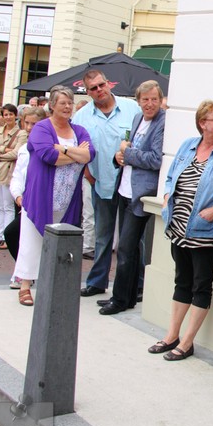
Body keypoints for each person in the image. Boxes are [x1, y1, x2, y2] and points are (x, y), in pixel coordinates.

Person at [149, 100, 213, 361]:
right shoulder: (187, 146)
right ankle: (171, 336)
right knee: (182, 281)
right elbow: (170, 176)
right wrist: (168, 195)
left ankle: (187, 342)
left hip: (206, 230)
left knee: (201, 285)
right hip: (177, 225)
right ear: (203, 123)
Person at [11, 86, 93, 306]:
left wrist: (64, 150)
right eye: (62, 103)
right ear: (52, 105)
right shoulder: (41, 128)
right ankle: (25, 286)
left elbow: (89, 154)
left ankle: (56, 285)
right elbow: (48, 156)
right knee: (31, 241)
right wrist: (75, 154)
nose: (67, 107)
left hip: (68, 199)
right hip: (41, 195)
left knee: (61, 243)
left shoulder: (79, 131)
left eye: (70, 103)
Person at [96, 81, 166, 315]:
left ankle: (118, 299)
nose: (149, 104)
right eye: (145, 99)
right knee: (131, 249)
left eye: (154, 99)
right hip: (124, 189)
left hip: (142, 194)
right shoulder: (138, 119)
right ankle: (129, 296)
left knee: (125, 248)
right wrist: (119, 156)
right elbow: (131, 152)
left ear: (160, 99)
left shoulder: (163, 122)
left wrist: (128, 152)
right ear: (138, 101)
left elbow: (156, 159)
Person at [73, 70, 141, 297]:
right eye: (93, 88)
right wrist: (87, 174)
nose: (99, 90)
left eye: (101, 85)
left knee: (132, 237)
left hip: (129, 184)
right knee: (102, 236)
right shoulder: (82, 116)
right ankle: (97, 282)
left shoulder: (132, 109)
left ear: (108, 83)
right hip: (100, 182)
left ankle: (137, 283)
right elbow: (76, 150)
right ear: (88, 91)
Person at [5, 107, 48, 284]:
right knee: (12, 234)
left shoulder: (47, 146)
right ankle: (25, 272)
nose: (29, 128)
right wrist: (17, 196)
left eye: (34, 124)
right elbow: (17, 176)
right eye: (27, 123)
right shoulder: (24, 149)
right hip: (25, 203)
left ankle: (31, 274)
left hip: (42, 202)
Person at [0, 104, 27, 249]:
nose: (8, 117)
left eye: (10, 114)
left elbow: (16, 152)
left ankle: (6, 237)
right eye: (5, 114)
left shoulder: (21, 133)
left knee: (8, 205)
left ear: (16, 116)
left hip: (8, 170)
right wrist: (3, 150)